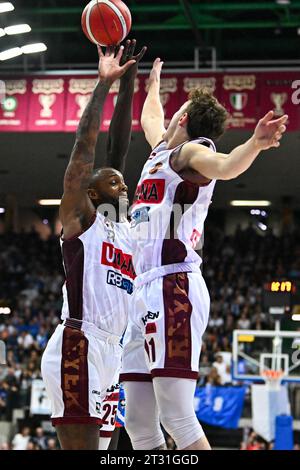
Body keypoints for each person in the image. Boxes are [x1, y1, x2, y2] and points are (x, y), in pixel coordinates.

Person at [120, 58, 288, 450]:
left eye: (176, 111)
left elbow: (226, 166)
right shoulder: (162, 151)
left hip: (172, 286)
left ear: (185, 119)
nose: (169, 114)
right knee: (139, 423)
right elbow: (149, 120)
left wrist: (254, 144)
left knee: (176, 416)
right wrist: (152, 83)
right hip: (142, 288)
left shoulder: (193, 153)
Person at [41, 41, 146, 450]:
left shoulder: (124, 229)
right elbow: (83, 157)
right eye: (114, 183)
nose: (126, 185)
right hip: (79, 346)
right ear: (92, 193)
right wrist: (102, 85)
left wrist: (128, 85)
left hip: (112, 353)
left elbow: (119, 149)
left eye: (124, 181)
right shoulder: (84, 222)